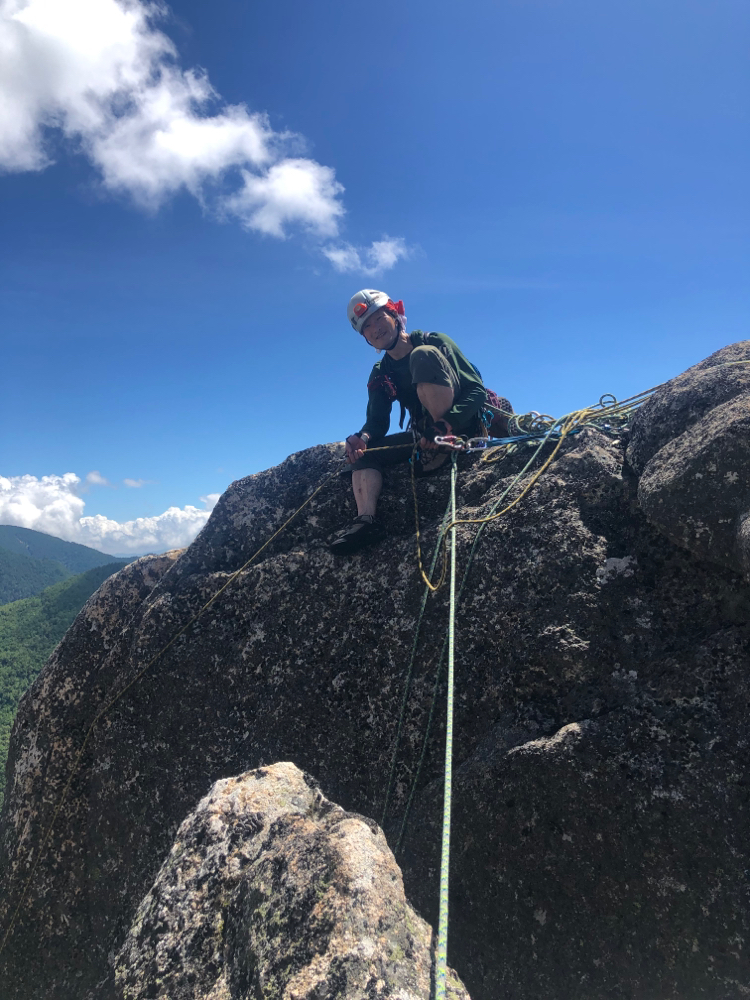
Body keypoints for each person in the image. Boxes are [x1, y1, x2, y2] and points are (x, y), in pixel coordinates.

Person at [328, 289, 508, 554]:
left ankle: (447, 443)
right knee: (367, 456)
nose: (375, 329)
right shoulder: (382, 372)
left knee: (421, 355)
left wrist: (445, 424)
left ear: (394, 315)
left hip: (458, 426)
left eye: (379, 318)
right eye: (367, 327)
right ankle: (366, 522)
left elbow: (476, 390)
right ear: (365, 337)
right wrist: (362, 439)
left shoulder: (432, 341)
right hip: (426, 435)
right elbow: (377, 422)